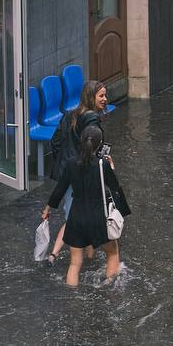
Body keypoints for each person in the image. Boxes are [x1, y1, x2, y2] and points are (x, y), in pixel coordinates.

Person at [47, 80, 111, 263]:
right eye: (101, 96)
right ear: (91, 97)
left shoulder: (69, 115)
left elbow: (55, 141)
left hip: (67, 172)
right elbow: (93, 147)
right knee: (80, 216)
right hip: (83, 174)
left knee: (75, 213)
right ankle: (57, 254)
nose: (105, 99)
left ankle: (78, 256)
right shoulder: (91, 119)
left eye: (105, 95)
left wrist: (64, 163)